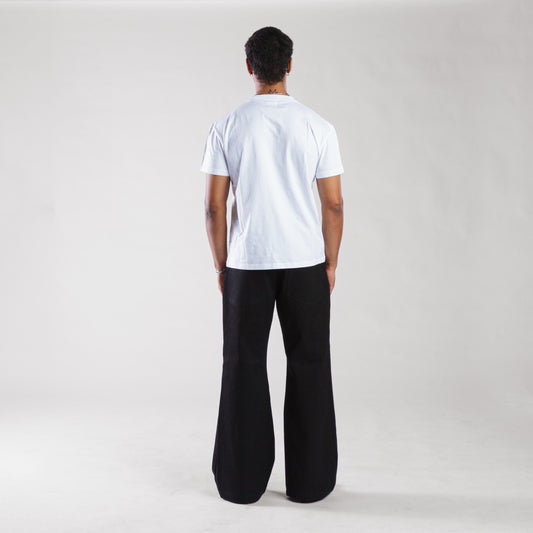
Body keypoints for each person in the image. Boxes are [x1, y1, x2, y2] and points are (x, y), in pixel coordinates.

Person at [200, 26, 344, 505]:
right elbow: (334, 204)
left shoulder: (228, 126)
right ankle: (311, 483)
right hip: (306, 263)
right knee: (311, 365)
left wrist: (222, 266)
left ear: (249, 67)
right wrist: (330, 263)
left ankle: (240, 484)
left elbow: (214, 207)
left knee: (242, 366)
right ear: (289, 66)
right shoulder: (318, 127)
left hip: (248, 263)